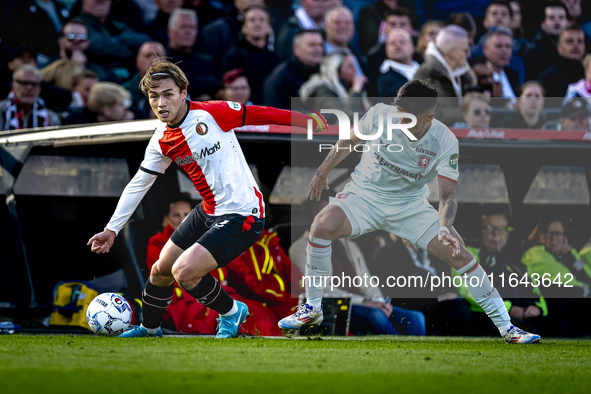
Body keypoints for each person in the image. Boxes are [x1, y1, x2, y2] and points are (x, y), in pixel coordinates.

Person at [278, 79, 541, 344]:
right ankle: (312, 309)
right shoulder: (381, 115)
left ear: (430, 117)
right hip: (365, 195)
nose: (399, 123)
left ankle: (508, 329)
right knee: (321, 225)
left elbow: (448, 196)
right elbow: (348, 141)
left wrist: (444, 226)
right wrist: (322, 173)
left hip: (409, 206)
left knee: (459, 253)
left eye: (407, 120)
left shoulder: (444, 140)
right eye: (398, 116)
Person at [87, 60, 324, 338]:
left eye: (167, 94)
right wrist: (112, 228)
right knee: (161, 270)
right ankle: (150, 329)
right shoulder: (161, 140)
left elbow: (261, 114)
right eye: (154, 96)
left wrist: (304, 120)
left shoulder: (214, 112)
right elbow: (139, 184)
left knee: (184, 273)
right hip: (208, 210)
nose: (160, 103)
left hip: (243, 213)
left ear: (183, 92)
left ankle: (232, 311)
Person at [521, 218, 591, 336]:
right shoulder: (535, 253)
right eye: (549, 233)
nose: (554, 237)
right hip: (552, 305)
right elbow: (563, 285)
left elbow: (587, 278)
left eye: (558, 233)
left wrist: (570, 252)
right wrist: (586, 290)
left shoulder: (561, 257)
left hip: (566, 304)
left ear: (565, 238)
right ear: (540, 235)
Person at [413, 25, 476, 125]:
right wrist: (463, 114)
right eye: (465, 50)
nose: (468, 54)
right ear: (452, 52)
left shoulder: (464, 75)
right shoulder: (425, 75)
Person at [222, 4, 281, 105]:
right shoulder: (234, 55)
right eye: (252, 20)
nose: (257, 24)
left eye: (262, 20)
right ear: (244, 28)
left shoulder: (275, 58)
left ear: (269, 27)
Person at [299, 51, 371, 121]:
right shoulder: (323, 91)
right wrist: (356, 91)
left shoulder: (348, 89)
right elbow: (341, 121)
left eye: (355, 66)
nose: (355, 70)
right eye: (350, 67)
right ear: (335, 71)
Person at [166, 8, 220, 100]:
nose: (188, 32)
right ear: (170, 31)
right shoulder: (164, 58)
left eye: (191, 27)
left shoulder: (206, 60)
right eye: (183, 27)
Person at [263, 30, 323, 109]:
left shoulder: (326, 72)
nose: (318, 49)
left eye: (320, 45)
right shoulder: (281, 77)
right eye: (312, 45)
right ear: (296, 48)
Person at [0, 64, 61, 131]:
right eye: (24, 83)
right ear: (13, 86)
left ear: (39, 89)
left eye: (34, 84)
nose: (29, 87)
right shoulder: (1, 110)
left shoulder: (50, 117)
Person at [523, 3, 569, 81]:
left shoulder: (573, 47)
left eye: (561, 17)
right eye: (551, 18)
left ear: (567, 23)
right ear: (543, 24)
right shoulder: (533, 51)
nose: (557, 21)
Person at [538, 26, 586, 98]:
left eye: (580, 41)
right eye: (570, 41)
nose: (576, 45)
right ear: (559, 47)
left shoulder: (588, 75)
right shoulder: (548, 78)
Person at [122, 41, 166, 119]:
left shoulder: (179, 88)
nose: (153, 59)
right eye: (148, 56)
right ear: (137, 62)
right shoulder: (125, 91)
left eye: (158, 55)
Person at [373, 29, 419, 98]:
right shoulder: (385, 78)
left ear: (413, 47)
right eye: (392, 43)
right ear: (386, 49)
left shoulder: (424, 68)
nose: (397, 45)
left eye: (402, 42)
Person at [323, 6, 367, 78]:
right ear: (326, 26)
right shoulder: (317, 55)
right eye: (337, 22)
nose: (343, 26)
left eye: (347, 23)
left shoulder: (360, 58)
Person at [62, 82, 134, 125]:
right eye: (120, 104)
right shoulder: (76, 122)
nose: (125, 107)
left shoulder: (132, 115)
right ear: (107, 111)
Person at [482, 27, 520, 99]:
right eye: (498, 46)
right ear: (485, 49)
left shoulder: (512, 74)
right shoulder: (481, 77)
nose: (504, 51)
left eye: (508, 46)